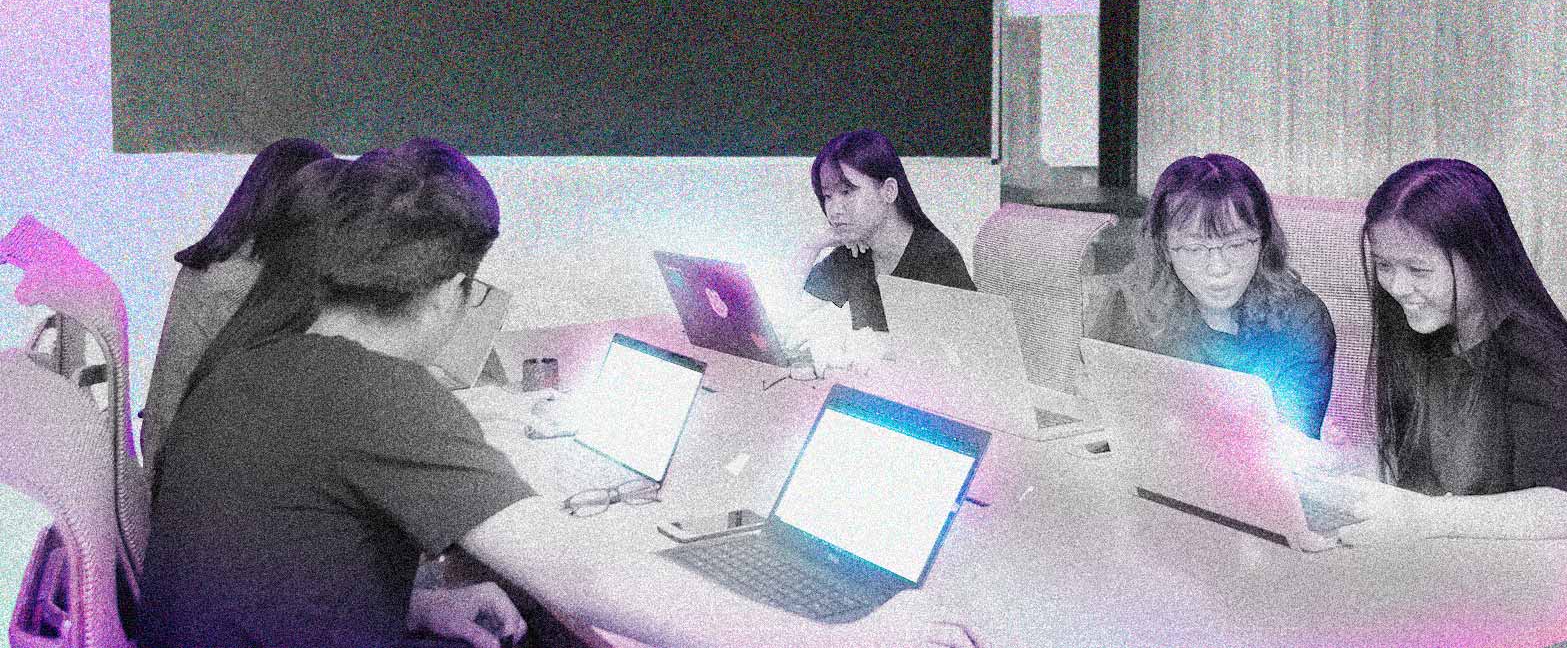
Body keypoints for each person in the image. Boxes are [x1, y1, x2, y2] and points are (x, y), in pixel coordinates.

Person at [141, 139, 986, 648]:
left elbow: (271, 565)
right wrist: (846, 637)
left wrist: (420, 606)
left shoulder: (259, 357)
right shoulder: (379, 396)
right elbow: (591, 580)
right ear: (449, 293)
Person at [1331, 158, 1567, 546]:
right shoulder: (1430, 328)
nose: (1397, 287)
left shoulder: (1536, 357)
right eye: (1384, 266)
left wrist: (1425, 517)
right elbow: (1418, 475)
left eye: (1418, 270)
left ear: (1480, 257)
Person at [1084, 154, 1335, 438]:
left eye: (1237, 245)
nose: (1218, 268)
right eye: (1193, 249)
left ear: (1264, 240)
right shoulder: (1131, 308)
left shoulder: (1301, 320)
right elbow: (1102, 422)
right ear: (1164, 248)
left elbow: (1294, 445)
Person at [139, 137, 332, 464]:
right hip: (211, 466)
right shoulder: (260, 280)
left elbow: (165, 405)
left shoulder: (207, 266)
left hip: (176, 460)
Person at [792, 130, 975, 334]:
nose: (834, 210)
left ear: (889, 191)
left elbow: (969, 345)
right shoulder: (854, 253)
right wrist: (812, 246)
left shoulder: (937, 258)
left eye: (846, 192)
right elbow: (788, 320)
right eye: (828, 196)